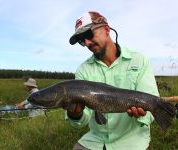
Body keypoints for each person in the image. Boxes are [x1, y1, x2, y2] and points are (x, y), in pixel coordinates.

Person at [65, 11, 159, 150]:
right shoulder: (83, 70)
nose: (87, 43)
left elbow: (153, 104)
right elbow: (82, 120)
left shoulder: (139, 60)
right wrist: (75, 114)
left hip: (132, 142)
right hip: (95, 141)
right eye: (81, 41)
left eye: (88, 35)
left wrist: (142, 115)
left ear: (107, 30)